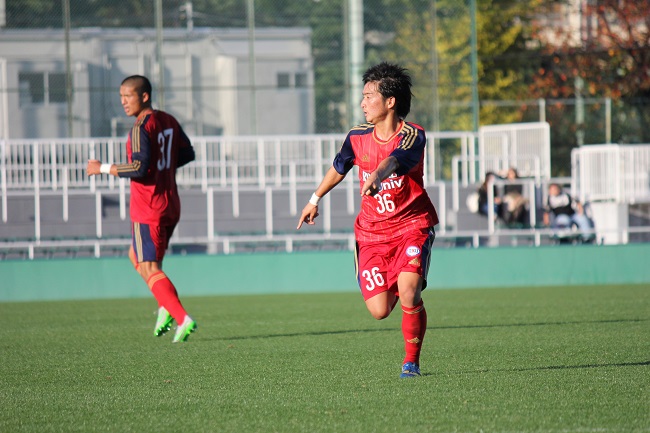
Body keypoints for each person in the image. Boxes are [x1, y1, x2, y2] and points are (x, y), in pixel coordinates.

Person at [296, 62, 438, 378]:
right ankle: (402, 281)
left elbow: (397, 159)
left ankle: (411, 362)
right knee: (379, 311)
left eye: (369, 96)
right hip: (371, 234)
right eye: (362, 96)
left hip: (411, 226)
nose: (362, 103)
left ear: (390, 101)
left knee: (410, 290)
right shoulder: (357, 136)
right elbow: (339, 167)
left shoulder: (413, 135)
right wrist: (314, 199)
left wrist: (377, 174)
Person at [86, 75, 197, 343]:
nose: (123, 102)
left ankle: (181, 317)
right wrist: (162, 168)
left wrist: (102, 168)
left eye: (128, 96)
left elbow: (138, 167)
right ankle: (165, 307)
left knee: (149, 266)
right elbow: (187, 154)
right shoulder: (168, 120)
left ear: (144, 96)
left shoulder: (140, 127)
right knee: (137, 256)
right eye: (121, 97)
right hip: (170, 203)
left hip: (149, 207)